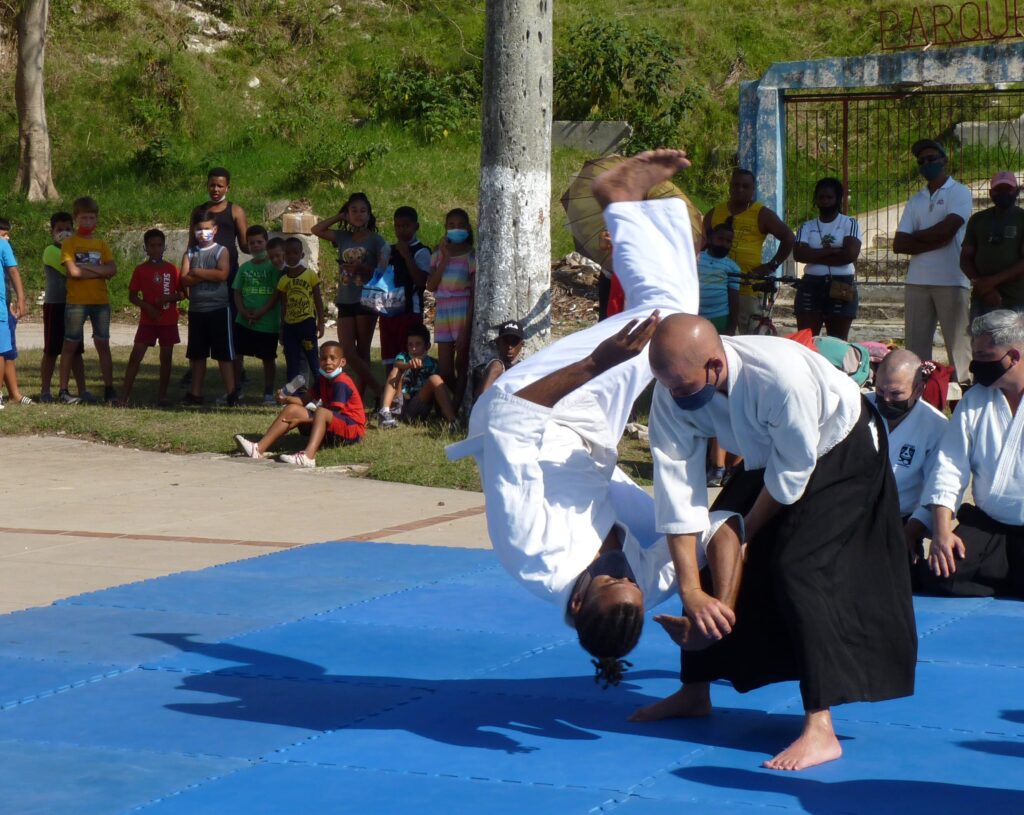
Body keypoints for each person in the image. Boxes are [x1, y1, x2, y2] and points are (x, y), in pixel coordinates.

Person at [448, 150, 724, 686]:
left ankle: (619, 199)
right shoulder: (644, 581)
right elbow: (706, 535)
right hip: (588, 438)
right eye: (630, 582)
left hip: (531, 411)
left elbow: (510, 422)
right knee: (673, 316)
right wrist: (705, 601)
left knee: (666, 316)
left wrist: (598, 362)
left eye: (609, 578)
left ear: (577, 600)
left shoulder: (535, 548)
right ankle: (624, 203)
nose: (622, 569)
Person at [643, 313, 916, 771]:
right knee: (714, 548)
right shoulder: (674, 388)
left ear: (714, 365)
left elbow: (791, 475)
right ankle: (695, 690)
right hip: (772, 453)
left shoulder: (778, 376)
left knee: (799, 568)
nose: (676, 397)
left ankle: (820, 728)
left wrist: (747, 533)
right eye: (668, 387)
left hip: (841, 443)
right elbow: (676, 493)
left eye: (685, 388)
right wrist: (691, 588)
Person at [915, 309, 1024, 597]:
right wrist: (941, 533)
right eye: (974, 356)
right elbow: (950, 467)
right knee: (941, 576)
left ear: (1013, 356)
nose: (976, 366)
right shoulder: (975, 400)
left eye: (985, 357)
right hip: (990, 524)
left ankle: (1004, 573)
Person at [893, 139, 974, 384]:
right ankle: (921, 396)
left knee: (959, 350)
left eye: (931, 159)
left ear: (944, 160)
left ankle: (964, 400)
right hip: (917, 280)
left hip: (952, 279)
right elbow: (899, 244)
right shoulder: (915, 199)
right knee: (916, 350)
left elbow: (947, 231)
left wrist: (917, 238)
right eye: (921, 161)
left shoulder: (959, 192)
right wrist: (932, 239)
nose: (926, 164)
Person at [867, 349, 948, 561]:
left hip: (900, 521)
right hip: (851, 512)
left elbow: (938, 488)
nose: (886, 399)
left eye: (896, 394)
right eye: (880, 390)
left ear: (919, 390)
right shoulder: (857, 407)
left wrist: (912, 531)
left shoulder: (936, 427)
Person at [234, 340, 365, 467]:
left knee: (320, 412)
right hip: (332, 425)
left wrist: (305, 419)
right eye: (324, 359)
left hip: (352, 431)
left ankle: (308, 457)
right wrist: (286, 399)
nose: (328, 362)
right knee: (292, 409)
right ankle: (257, 448)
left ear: (342, 362)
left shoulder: (342, 382)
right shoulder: (323, 380)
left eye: (332, 358)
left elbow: (334, 413)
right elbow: (303, 400)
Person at [311, 193, 389, 403]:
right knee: (348, 351)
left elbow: (382, 270)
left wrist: (362, 268)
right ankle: (380, 390)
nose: (358, 215)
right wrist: (339, 217)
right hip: (345, 298)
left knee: (362, 352)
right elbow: (316, 230)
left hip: (366, 299)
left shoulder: (375, 239)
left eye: (363, 211)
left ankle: (360, 399)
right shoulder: (343, 237)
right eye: (353, 210)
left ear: (369, 214)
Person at [703, 168, 794, 335]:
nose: (740, 189)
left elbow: (788, 237)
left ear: (753, 189)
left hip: (748, 289)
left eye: (745, 186)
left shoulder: (762, 214)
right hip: (717, 289)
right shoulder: (715, 212)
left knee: (752, 339)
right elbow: (702, 243)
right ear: (730, 187)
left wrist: (771, 265)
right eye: (736, 185)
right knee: (718, 338)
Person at [58, 196, 118, 405]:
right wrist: (100, 271)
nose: (87, 222)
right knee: (70, 344)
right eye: (84, 218)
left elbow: (113, 269)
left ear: (96, 220)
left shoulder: (101, 244)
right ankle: (64, 389)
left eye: (91, 218)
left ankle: (109, 388)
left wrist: (89, 269)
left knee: (103, 343)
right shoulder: (70, 243)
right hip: (77, 302)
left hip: (100, 301)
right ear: (76, 219)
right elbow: (73, 271)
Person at [792, 177, 862, 341]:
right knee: (806, 340)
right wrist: (831, 251)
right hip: (811, 285)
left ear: (837, 199)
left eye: (829, 197)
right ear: (815, 199)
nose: (825, 201)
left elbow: (849, 255)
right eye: (821, 197)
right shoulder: (806, 226)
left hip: (842, 284)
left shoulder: (849, 223)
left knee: (837, 342)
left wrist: (814, 254)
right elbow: (799, 255)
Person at [119, 229, 183, 406]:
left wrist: (169, 298)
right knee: (136, 356)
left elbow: (182, 293)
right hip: (147, 321)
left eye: (159, 245)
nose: (156, 249)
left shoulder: (172, 269)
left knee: (166, 358)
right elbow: (132, 296)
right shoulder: (140, 270)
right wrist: (147, 307)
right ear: (146, 248)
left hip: (168, 320)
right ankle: (124, 396)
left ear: (165, 247)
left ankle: (162, 396)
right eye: (152, 246)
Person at [181, 209, 236, 406]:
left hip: (219, 308)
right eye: (199, 229)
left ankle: (232, 393)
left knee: (223, 354)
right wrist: (201, 275)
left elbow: (222, 274)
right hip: (197, 310)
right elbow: (184, 279)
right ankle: (195, 393)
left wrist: (197, 272)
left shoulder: (221, 251)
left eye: (207, 229)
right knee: (197, 355)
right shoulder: (189, 253)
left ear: (215, 229)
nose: (203, 233)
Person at [427, 208, 476, 408]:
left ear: (468, 228)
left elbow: (473, 293)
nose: (456, 229)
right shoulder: (437, 255)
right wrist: (445, 258)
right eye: (451, 225)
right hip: (443, 309)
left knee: (462, 362)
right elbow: (431, 285)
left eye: (461, 225)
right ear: (446, 228)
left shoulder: (472, 256)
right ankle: (460, 400)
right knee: (445, 369)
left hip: (462, 308)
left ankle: (457, 406)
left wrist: (466, 327)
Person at [960, 171, 1024, 318]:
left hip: (1017, 300)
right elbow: (965, 258)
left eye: (1007, 189)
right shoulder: (977, 219)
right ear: (990, 193)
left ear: (1017, 191)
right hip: (982, 298)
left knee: (1016, 342)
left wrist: (992, 282)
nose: (1003, 193)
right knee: (981, 341)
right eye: (998, 189)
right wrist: (984, 287)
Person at [38, 212, 87, 403]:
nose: (64, 233)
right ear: (52, 232)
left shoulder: (75, 251)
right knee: (51, 350)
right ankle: (45, 391)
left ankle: (83, 390)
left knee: (76, 350)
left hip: (74, 305)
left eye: (68, 229)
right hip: (55, 306)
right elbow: (74, 271)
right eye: (59, 230)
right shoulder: (50, 251)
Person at [231, 226, 281, 406]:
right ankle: (236, 389)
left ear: (266, 243)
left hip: (267, 322)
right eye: (252, 243)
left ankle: (268, 392)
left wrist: (261, 312)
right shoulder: (244, 268)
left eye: (260, 242)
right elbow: (236, 291)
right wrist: (243, 311)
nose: (256, 246)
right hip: (244, 321)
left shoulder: (274, 266)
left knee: (268, 358)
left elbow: (277, 293)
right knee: (237, 355)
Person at [379, 206, 431, 378]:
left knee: (409, 354)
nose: (401, 230)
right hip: (388, 310)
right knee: (389, 357)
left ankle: (408, 390)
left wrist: (407, 256)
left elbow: (421, 281)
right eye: (398, 226)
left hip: (410, 311)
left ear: (416, 226)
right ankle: (390, 393)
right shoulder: (389, 250)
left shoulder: (421, 251)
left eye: (406, 226)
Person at [378, 323, 458, 430]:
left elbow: (439, 390)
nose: (414, 349)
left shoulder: (433, 364)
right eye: (410, 345)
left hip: (417, 407)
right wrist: (409, 365)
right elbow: (397, 364)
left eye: (418, 344)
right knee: (396, 370)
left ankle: (452, 421)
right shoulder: (403, 357)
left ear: (428, 346)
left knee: (435, 379)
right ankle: (385, 413)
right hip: (398, 404)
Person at [275, 237, 324, 391]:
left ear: (302, 255)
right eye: (287, 253)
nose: (291, 256)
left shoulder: (310, 275)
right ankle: (293, 394)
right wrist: (282, 328)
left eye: (295, 253)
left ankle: (323, 391)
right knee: (292, 361)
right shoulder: (283, 280)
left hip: (307, 324)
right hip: (290, 327)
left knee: (312, 359)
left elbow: (318, 300)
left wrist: (321, 322)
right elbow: (283, 305)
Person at [0, 218, 29, 407]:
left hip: (2, 309)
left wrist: (20, 299)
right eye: (3, 233)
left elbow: (13, 272)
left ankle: (13, 394)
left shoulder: (3, 245)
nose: (7, 237)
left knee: (5, 351)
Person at [697, 221, 740, 336]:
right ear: (710, 239)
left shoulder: (733, 267)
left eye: (728, 241)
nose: (724, 244)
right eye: (720, 239)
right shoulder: (697, 258)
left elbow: (734, 300)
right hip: (695, 315)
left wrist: (731, 328)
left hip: (720, 317)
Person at [472, 319, 525, 402]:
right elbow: (479, 400)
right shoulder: (492, 367)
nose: (509, 347)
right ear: (498, 342)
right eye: (506, 341)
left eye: (514, 342)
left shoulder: (525, 369)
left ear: (522, 344)